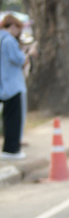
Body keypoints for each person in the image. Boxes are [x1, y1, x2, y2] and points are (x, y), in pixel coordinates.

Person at [0, 14, 27, 160]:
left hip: (3, 83)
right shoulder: (9, 41)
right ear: (12, 26)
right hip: (13, 84)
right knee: (13, 119)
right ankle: (11, 150)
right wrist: (27, 54)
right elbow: (19, 59)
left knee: (7, 118)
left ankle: (9, 148)